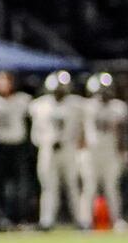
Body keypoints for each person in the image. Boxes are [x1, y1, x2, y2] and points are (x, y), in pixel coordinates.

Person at [29, 71, 86, 229]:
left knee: (73, 185)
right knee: (48, 186)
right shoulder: (40, 105)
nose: (60, 92)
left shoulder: (76, 104)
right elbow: (35, 133)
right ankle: (46, 221)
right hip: (48, 149)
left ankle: (80, 219)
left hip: (69, 149)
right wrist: (47, 142)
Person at [0, 71, 32, 229]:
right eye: (0, 81)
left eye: (6, 81)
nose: (4, 85)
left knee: (19, 185)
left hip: (17, 146)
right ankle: (0, 216)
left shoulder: (22, 99)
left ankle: (19, 216)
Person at [81, 73, 127, 227]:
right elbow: (80, 130)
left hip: (110, 151)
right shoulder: (86, 106)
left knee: (111, 187)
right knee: (90, 186)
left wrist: (122, 151)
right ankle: (85, 221)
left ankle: (116, 219)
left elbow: (121, 132)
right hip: (91, 151)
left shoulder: (118, 107)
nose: (104, 93)